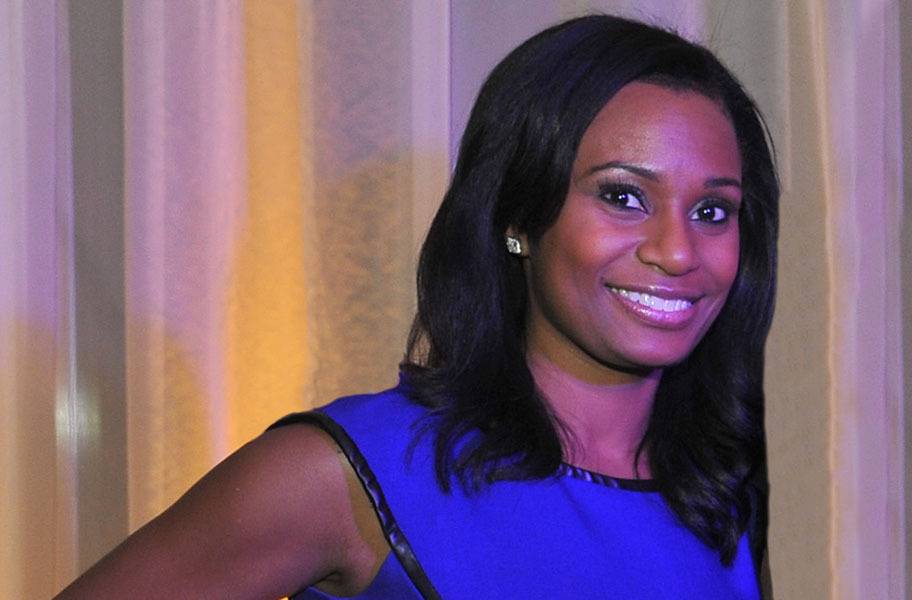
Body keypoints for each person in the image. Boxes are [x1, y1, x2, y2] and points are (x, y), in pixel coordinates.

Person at [58, 14, 779, 599]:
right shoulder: (344, 472)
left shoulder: (716, 494)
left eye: (714, 211)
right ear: (518, 218)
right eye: (623, 196)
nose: (679, 251)